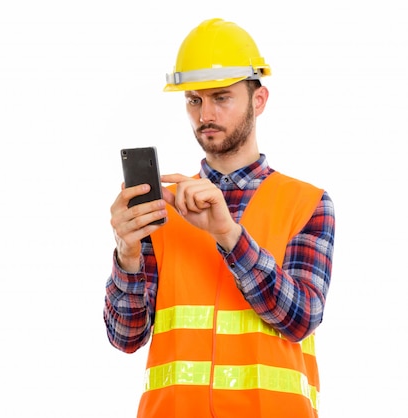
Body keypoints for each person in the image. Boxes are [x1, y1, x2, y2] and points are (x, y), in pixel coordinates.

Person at [103, 18, 335, 418]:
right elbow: (125, 337)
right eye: (194, 100)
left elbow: (301, 318)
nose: (205, 114)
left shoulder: (307, 203)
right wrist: (126, 256)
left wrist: (229, 235)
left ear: (258, 100)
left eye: (221, 97)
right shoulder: (162, 208)